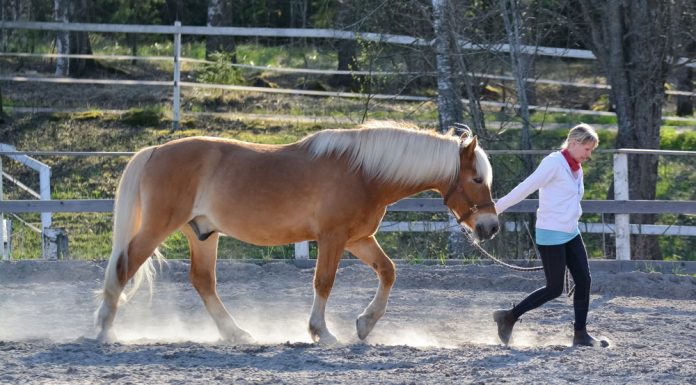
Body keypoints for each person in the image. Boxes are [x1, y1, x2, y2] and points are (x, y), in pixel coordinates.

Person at [492, 123, 608, 348]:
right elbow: (525, 188)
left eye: (591, 150)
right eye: (587, 149)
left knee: (584, 280)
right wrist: (495, 209)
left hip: (571, 231)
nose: (589, 154)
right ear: (574, 143)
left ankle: (580, 334)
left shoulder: (576, 167)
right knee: (554, 288)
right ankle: (508, 317)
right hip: (551, 233)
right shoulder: (553, 163)